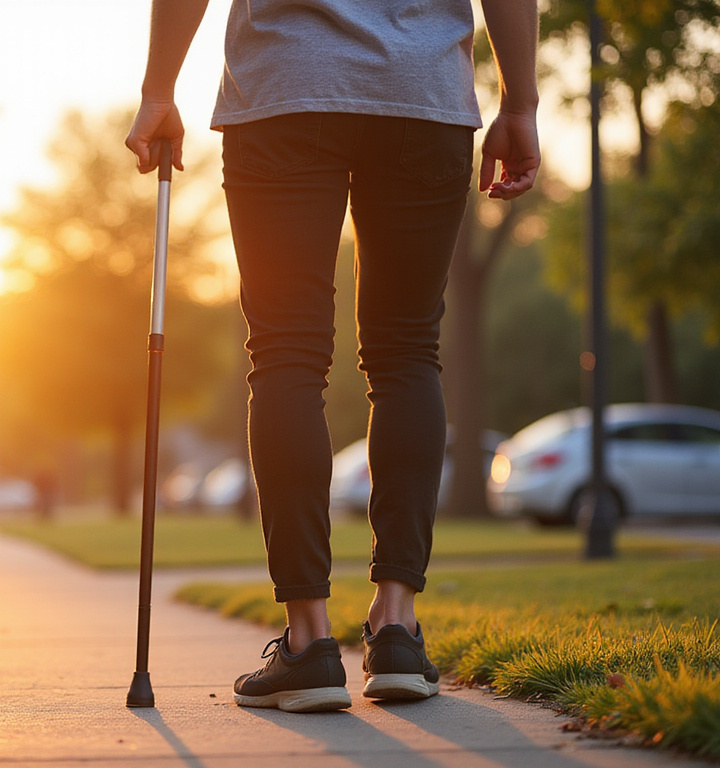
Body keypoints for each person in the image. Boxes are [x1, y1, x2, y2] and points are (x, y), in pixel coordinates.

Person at [126, 0, 540, 712]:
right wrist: (520, 102)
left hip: (283, 87)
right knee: (407, 352)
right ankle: (397, 627)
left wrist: (158, 90)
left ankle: (310, 642)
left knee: (287, 355)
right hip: (421, 89)